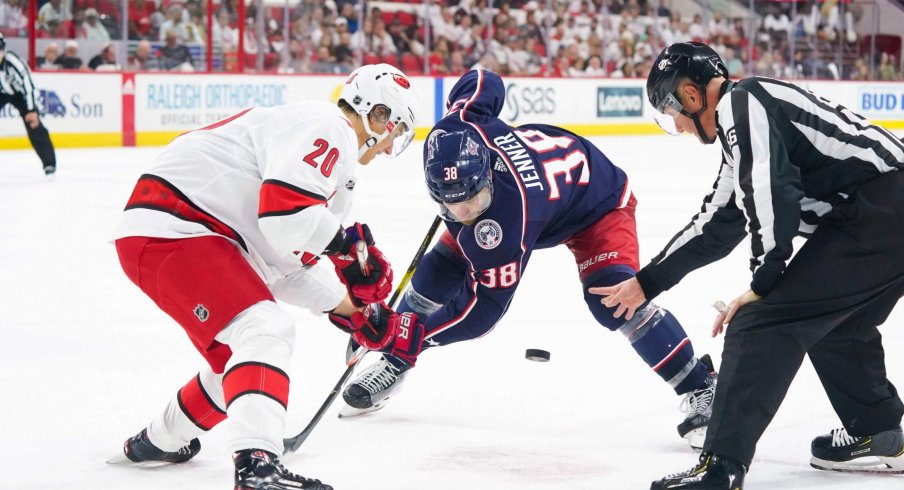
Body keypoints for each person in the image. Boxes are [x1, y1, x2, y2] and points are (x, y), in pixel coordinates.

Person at [341, 68, 720, 449]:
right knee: (438, 270)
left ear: (488, 174)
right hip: (542, 194)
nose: (465, 212)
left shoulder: (504, 224)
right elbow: (483, 79)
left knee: (614, 301)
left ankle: (700, 386)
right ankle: (395, 357)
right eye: (450, 203)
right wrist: (465, 114)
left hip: (596, 203)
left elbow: (481, 312)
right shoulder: (454, 130)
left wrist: (412, 336)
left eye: (472, 200)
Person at [595, 42, 904, 489]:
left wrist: (763, 282)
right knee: (836, 324)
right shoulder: (743, 128)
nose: (678, 126)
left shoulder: (745, 101)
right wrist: (647, 282)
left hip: (882, 209)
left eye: (671, 110)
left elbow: (770, 192)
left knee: (759, 323)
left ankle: (719, 468)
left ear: (691, 93)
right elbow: (717, 224)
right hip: (883, 213)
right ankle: (878, 429)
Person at [108, 64, 422, 490]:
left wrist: (353, 312)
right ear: (378, 113)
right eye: (395, 129)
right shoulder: (329, 128)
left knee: (240, 366)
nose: (389, 148)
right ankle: (257, 468)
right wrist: (348, 249)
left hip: (195, 232)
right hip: (176, 224)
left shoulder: (335, 168)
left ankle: (160, 440)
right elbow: (285, 216)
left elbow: (285, 264)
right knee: (265, 329)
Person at [0, 33, 57, 175]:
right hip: (2, 92)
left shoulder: (14, 63)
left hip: (21, 95)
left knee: (34, 124)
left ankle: (49, 163)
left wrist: (31, 110)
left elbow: (29, 87)